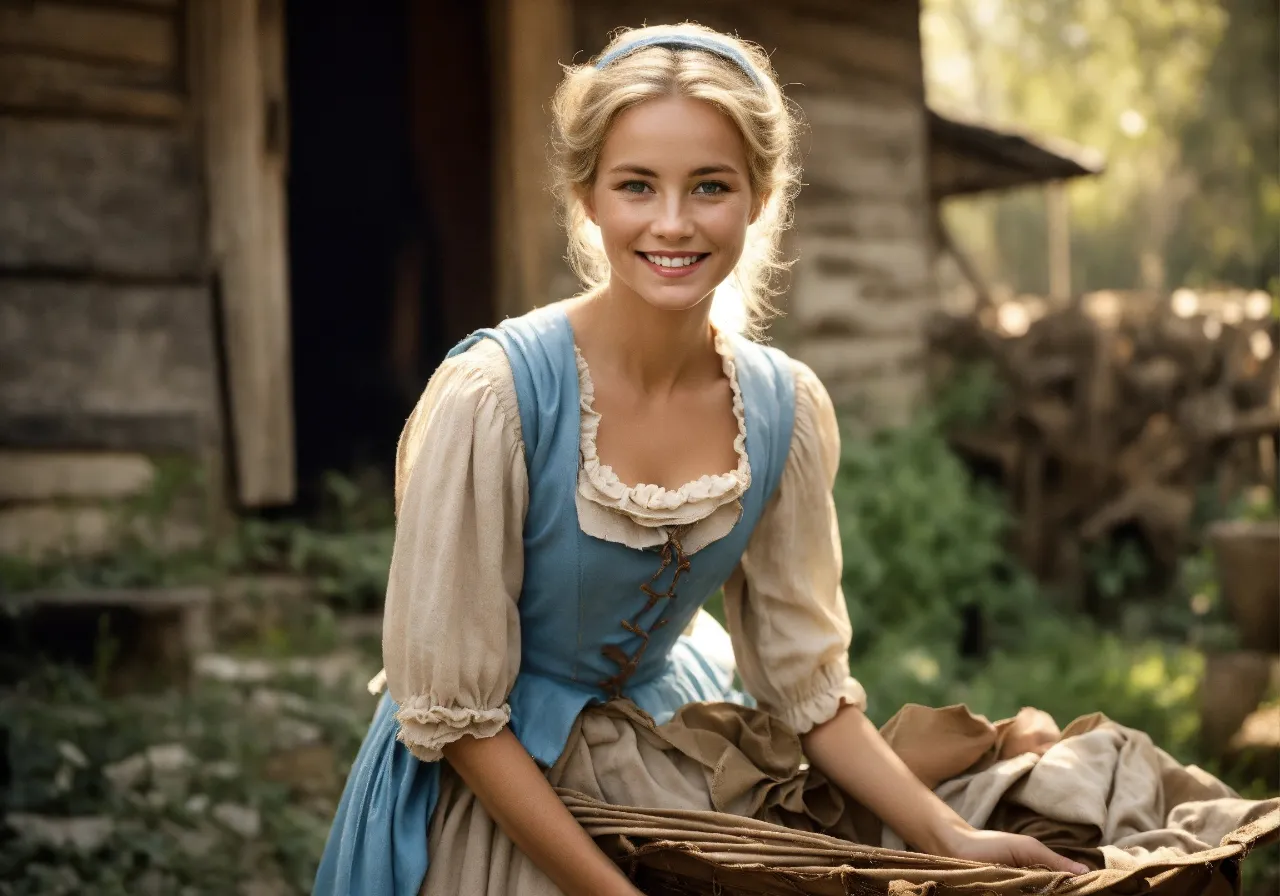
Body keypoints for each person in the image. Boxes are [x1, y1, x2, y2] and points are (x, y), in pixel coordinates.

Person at [314, 22, 1095, 896]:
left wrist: (950, 835)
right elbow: (457, 724)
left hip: (665, 758)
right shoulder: (496, 398)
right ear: (587, 195)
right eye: (637, 185)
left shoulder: (780, 409)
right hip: (488, 795)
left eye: (710, 186)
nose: (673, 222)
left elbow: (812, 696)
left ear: (760, 197)